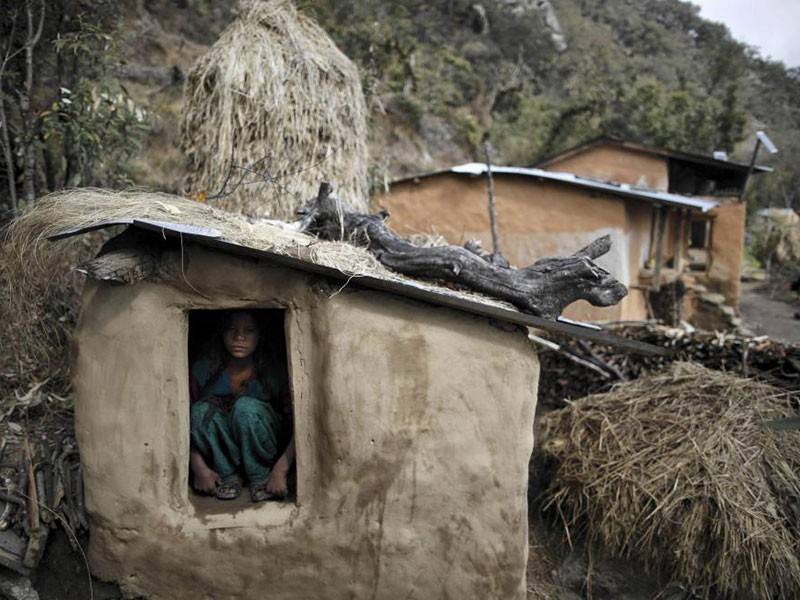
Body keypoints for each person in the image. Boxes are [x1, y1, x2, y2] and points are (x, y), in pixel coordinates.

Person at [189, 310, 294, 502]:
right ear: (221, 333)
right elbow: (179, 423)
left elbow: (299, 426)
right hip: (221, 456)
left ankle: (260, 477)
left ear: (260, 335)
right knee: (199, 412)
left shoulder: (274, 371)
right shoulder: (204, 368)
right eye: (231, 329)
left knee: (245, 409)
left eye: (249, 330)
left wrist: (281, 470)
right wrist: (198, 467)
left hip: (267, 451)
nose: (239, 337)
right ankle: (228, 477)